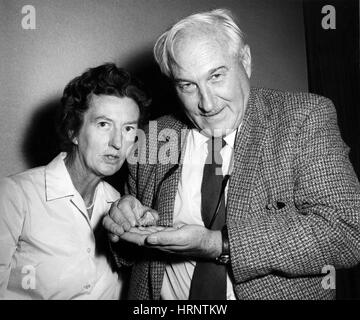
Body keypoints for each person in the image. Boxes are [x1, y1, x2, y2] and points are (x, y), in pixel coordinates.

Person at [103, 9, 360, 300]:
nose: (207, 103)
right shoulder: (153, 136)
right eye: (188, 85)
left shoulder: (303, 118)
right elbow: (129, 255)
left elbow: (347, 231)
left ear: (245, 61)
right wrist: (122, 221)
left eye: (216, 76)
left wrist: (219, 244)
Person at [0, 63, 150, 299]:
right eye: (103, 124)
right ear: (73, 131)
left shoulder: (120, 205)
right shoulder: (14, 196)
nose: (118, 143)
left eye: (128, 128)